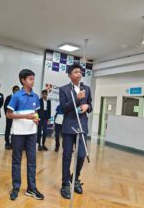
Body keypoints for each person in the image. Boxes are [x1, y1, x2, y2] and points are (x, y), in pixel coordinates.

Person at [6, 69, 44, 201]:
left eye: (33, 78)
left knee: (32, 161)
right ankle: (16, 187)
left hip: (32, 134)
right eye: (30, 78)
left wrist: (36, 119)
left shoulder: (35, 97)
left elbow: (36, 113)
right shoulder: (16, 96)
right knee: (16, 160)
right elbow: (8, 114)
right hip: (18, 134)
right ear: (23, 80)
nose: (33, 81)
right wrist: (25, 116)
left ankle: (31, 188)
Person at [59, 63, 92, 199]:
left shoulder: (87, 88)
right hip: (68, 127)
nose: (79, 73)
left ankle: (75, 178)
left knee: (81, 155)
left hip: (82, 127)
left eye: (80, 71)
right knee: (67, 156)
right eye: (76, 71)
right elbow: (63, 108)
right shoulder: (64, 89)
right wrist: (76, 100)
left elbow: (90, 104)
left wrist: (87, 106)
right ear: (69, 75)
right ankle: (65, 183)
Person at [4, 85, 20, 150]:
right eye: (15, 89)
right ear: (13, 90)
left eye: (18, 90)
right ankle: (7, 143)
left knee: (15, 130)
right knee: (8, 129)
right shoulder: (9, 97)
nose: (17, 91)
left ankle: (13, 144)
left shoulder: (20, 98)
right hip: (10, 116)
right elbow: (5, 107)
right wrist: (7, 114)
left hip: (17, 117)